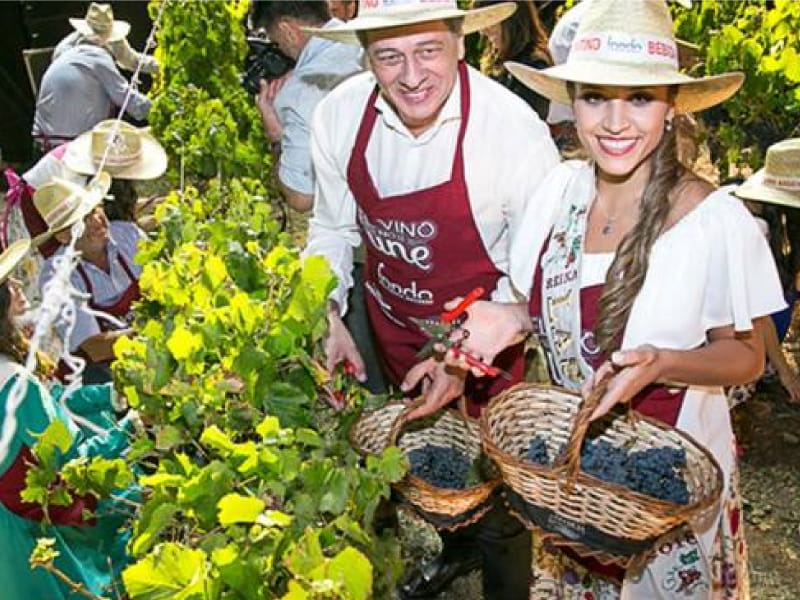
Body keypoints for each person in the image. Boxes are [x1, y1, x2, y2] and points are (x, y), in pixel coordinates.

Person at [437, 0, 784, 597]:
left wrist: (665, 362)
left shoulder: (716, 222)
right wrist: (508, 320)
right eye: (596, 97)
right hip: (577, 477)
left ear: (671, 107)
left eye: (640, 99)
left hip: (669, 488)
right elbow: (557, 306)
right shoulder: (561, 191)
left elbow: (747, 355)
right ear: (572, 100)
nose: (615, 122)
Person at [301, 1, 559, 598]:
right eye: (389, 56)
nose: (411, 75)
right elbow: (333, 229)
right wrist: (327, 308)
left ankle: (503, 579)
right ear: (366, 57)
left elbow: (534, 274)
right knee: (424, 458)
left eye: (428, 51)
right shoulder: (340, 116)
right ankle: (454, 547)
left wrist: (462, 356)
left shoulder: (512, 131)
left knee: (496, 479)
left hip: (488, 341)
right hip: (393, 321)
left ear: (460, 43)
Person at [0, 238, 139, 600]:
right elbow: (75, 463)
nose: (18, 286)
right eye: (8, 285)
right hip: (23, 536)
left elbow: (58, 401)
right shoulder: (15, 380)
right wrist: (131, 429)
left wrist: (112, 395)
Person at [250, 1, 364, 212]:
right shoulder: (368, 39)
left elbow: (300, 198)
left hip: (367, 226)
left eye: (276, 41)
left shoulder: (299, 93)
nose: (280, 50)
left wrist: (275, 136)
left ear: (287, 30)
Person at [35, 173, 144, 386]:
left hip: (143, 357)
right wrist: (153, 334)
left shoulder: (128, 235)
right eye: (84, 218)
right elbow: (94, 348)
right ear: (64, 235)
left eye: (96, 209)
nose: (96, 220)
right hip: (97, 381)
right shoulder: (56, 277)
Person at [32, 3, 152, 154]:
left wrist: (156, 66)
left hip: (43, 140)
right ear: (108, 38)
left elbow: (132, 60)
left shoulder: (64, 50)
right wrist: (157, 111)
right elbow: (126, 97)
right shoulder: (99, 57)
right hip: (73, 145)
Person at [733, 138, 800, 404]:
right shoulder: (748, 226)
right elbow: (756, 312)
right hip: (726, 340)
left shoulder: (781, 226)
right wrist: (785, 371)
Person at [473, 0, 552, 120]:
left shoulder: (532, 65)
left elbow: (525, 123)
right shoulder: (495, 58)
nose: (482, 31)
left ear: (512, 18)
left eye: (490, 19)